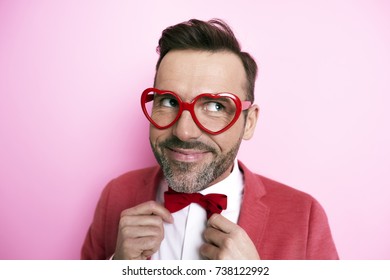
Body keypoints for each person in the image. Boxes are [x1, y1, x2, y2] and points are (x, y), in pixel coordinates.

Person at [81, 18, 338, 260]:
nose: (184, 132)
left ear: (249, 122)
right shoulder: (115, 195)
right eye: (169, 102)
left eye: (215, 106)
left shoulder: (305, 217)